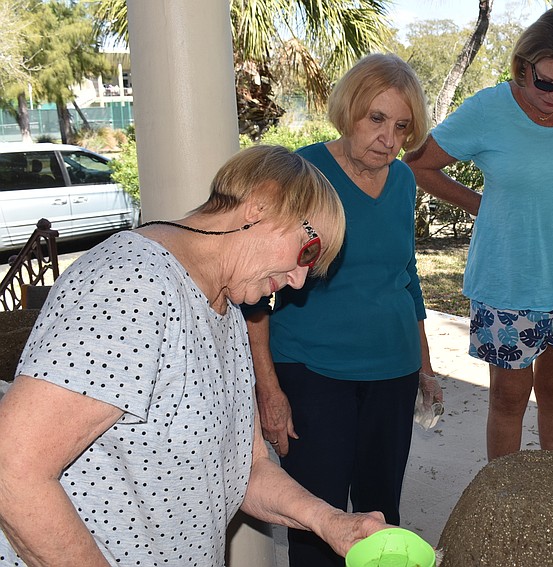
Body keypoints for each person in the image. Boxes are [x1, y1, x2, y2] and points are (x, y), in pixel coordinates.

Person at [0, 145, 390, 566]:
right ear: (261, 204)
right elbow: (13, 469)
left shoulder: (227, 308)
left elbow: (244, 470)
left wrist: (331, 522)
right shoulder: (132, 284)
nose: (298, 281)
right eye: (307, 252)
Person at [403, 6, 553, 460]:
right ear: (523, 67)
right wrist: (482, 205)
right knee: (508, 399)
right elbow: (420, 164)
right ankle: (501, 508)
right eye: (545, 83)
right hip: (507, 282)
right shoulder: (488, 109)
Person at [243, 53, 441, 567]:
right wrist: (268, 387)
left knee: (381, 518)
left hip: (392, 372)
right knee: (316, 523)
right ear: (348, 111)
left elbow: (406, 273)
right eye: (376, 119)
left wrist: (423, 360)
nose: (389, 138)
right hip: (312, 373)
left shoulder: (403, 181)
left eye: (402, 126)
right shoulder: (300, 174)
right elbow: (259, 289)